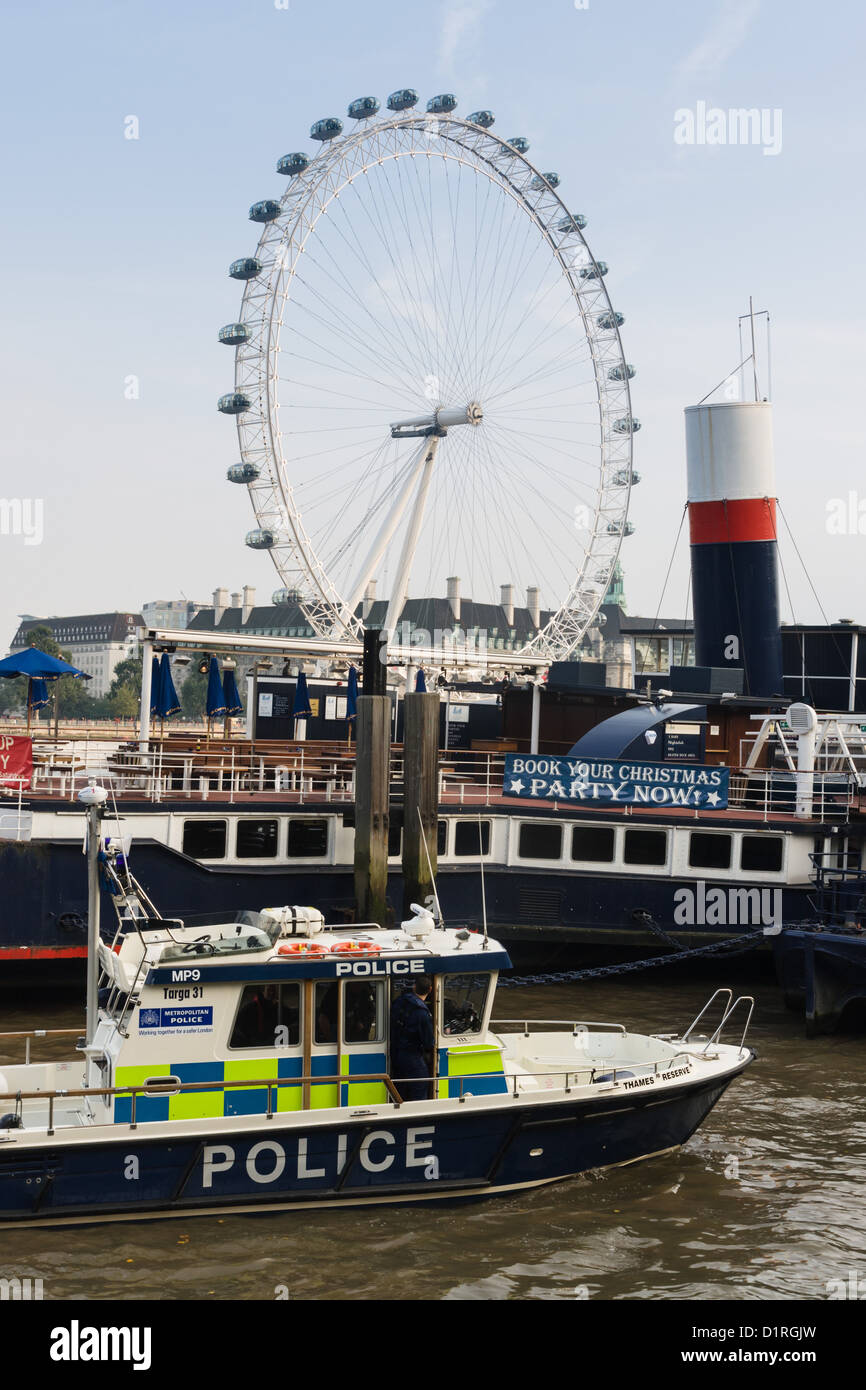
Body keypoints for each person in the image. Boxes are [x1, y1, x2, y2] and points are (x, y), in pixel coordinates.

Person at [390, 976, 434, 1102]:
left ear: (414, 987)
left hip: (395, 1052)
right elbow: (428, 1042)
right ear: (430, 989)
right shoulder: (422, 1013)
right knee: (420, 1084)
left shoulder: (400, 1001)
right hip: (411, 1055)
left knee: (400, 1087)